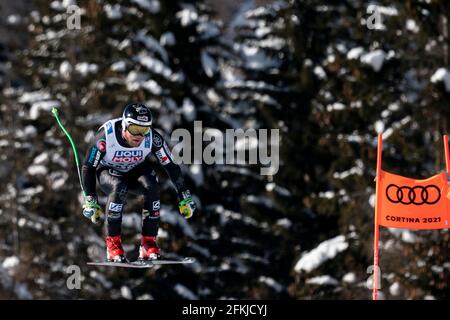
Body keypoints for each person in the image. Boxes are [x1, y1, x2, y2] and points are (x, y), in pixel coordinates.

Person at [80, 103, 196, 262]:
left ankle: (148, 243)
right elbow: (88, 167)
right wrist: (90, 199)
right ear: (125, 126)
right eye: (135, 129)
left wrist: (184, 195)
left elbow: (171, 166)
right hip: (108, 171)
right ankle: (113, 246)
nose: (139, 136)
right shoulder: (105, 137)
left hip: (134, 170)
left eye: (144, 130)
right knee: (119, 186)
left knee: (152, 185)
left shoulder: (152, 138)